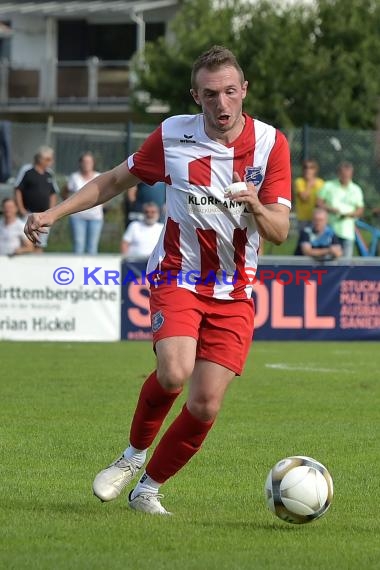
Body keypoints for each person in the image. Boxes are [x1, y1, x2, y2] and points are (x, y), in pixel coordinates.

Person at [25, 45, 291, 516]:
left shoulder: (271, 144)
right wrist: (54, 213)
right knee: (174, 370)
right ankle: (131, 457)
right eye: (211, 94)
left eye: (231, 91)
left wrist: (255, 204)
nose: (222, 104)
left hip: (234, 289)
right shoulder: (171, 136)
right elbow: (111, 182)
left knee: (206, 405)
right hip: (178, 275)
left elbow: (280, 231)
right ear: (196, 96)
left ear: (244, 90)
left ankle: (147, 489)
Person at [14, 145, 59, 251]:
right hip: (28, 214)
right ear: (40, 158)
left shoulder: (49, 174)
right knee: (27, 243)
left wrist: (51, 212)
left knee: (40, 244)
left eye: (51, 159)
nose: (50, 162)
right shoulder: (27, 170)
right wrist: (21, 209)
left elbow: (53, 193)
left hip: (44, 216)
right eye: (48, 159)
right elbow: (18, 189)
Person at [317, 161, 364, 258]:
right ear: (338, 173)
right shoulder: (329, 186)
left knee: (345, 263)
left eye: (348, 175)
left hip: (347, 232)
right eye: (343, 174)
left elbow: (360, 209)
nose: (345, 177)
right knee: (328, 260)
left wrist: (349, 214)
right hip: (329, 230)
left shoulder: (356, 189)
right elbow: (319, 202)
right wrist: (330, 209)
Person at [62, 152, 103, 254]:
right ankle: (77, 269)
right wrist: (69, 205)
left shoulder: (99, 176)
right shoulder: (74, 177)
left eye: (89, 162)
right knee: (78, 245)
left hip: (95, 217)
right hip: (77, 216)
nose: (86, 164)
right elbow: (65, 192)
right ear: (80, 163)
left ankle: (91, 269)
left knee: (92, 247)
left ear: (93, 163)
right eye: (84, 162)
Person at [294, 159, 324, 231]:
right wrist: (309, 185)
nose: (308, 170)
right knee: (304, 240)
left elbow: (322, 201)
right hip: (303, 218)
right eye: (305, 167)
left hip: (317, 218)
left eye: (311, 168)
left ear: (315, 170)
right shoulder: (299, 182)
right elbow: (304, 197)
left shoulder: (321, 183)